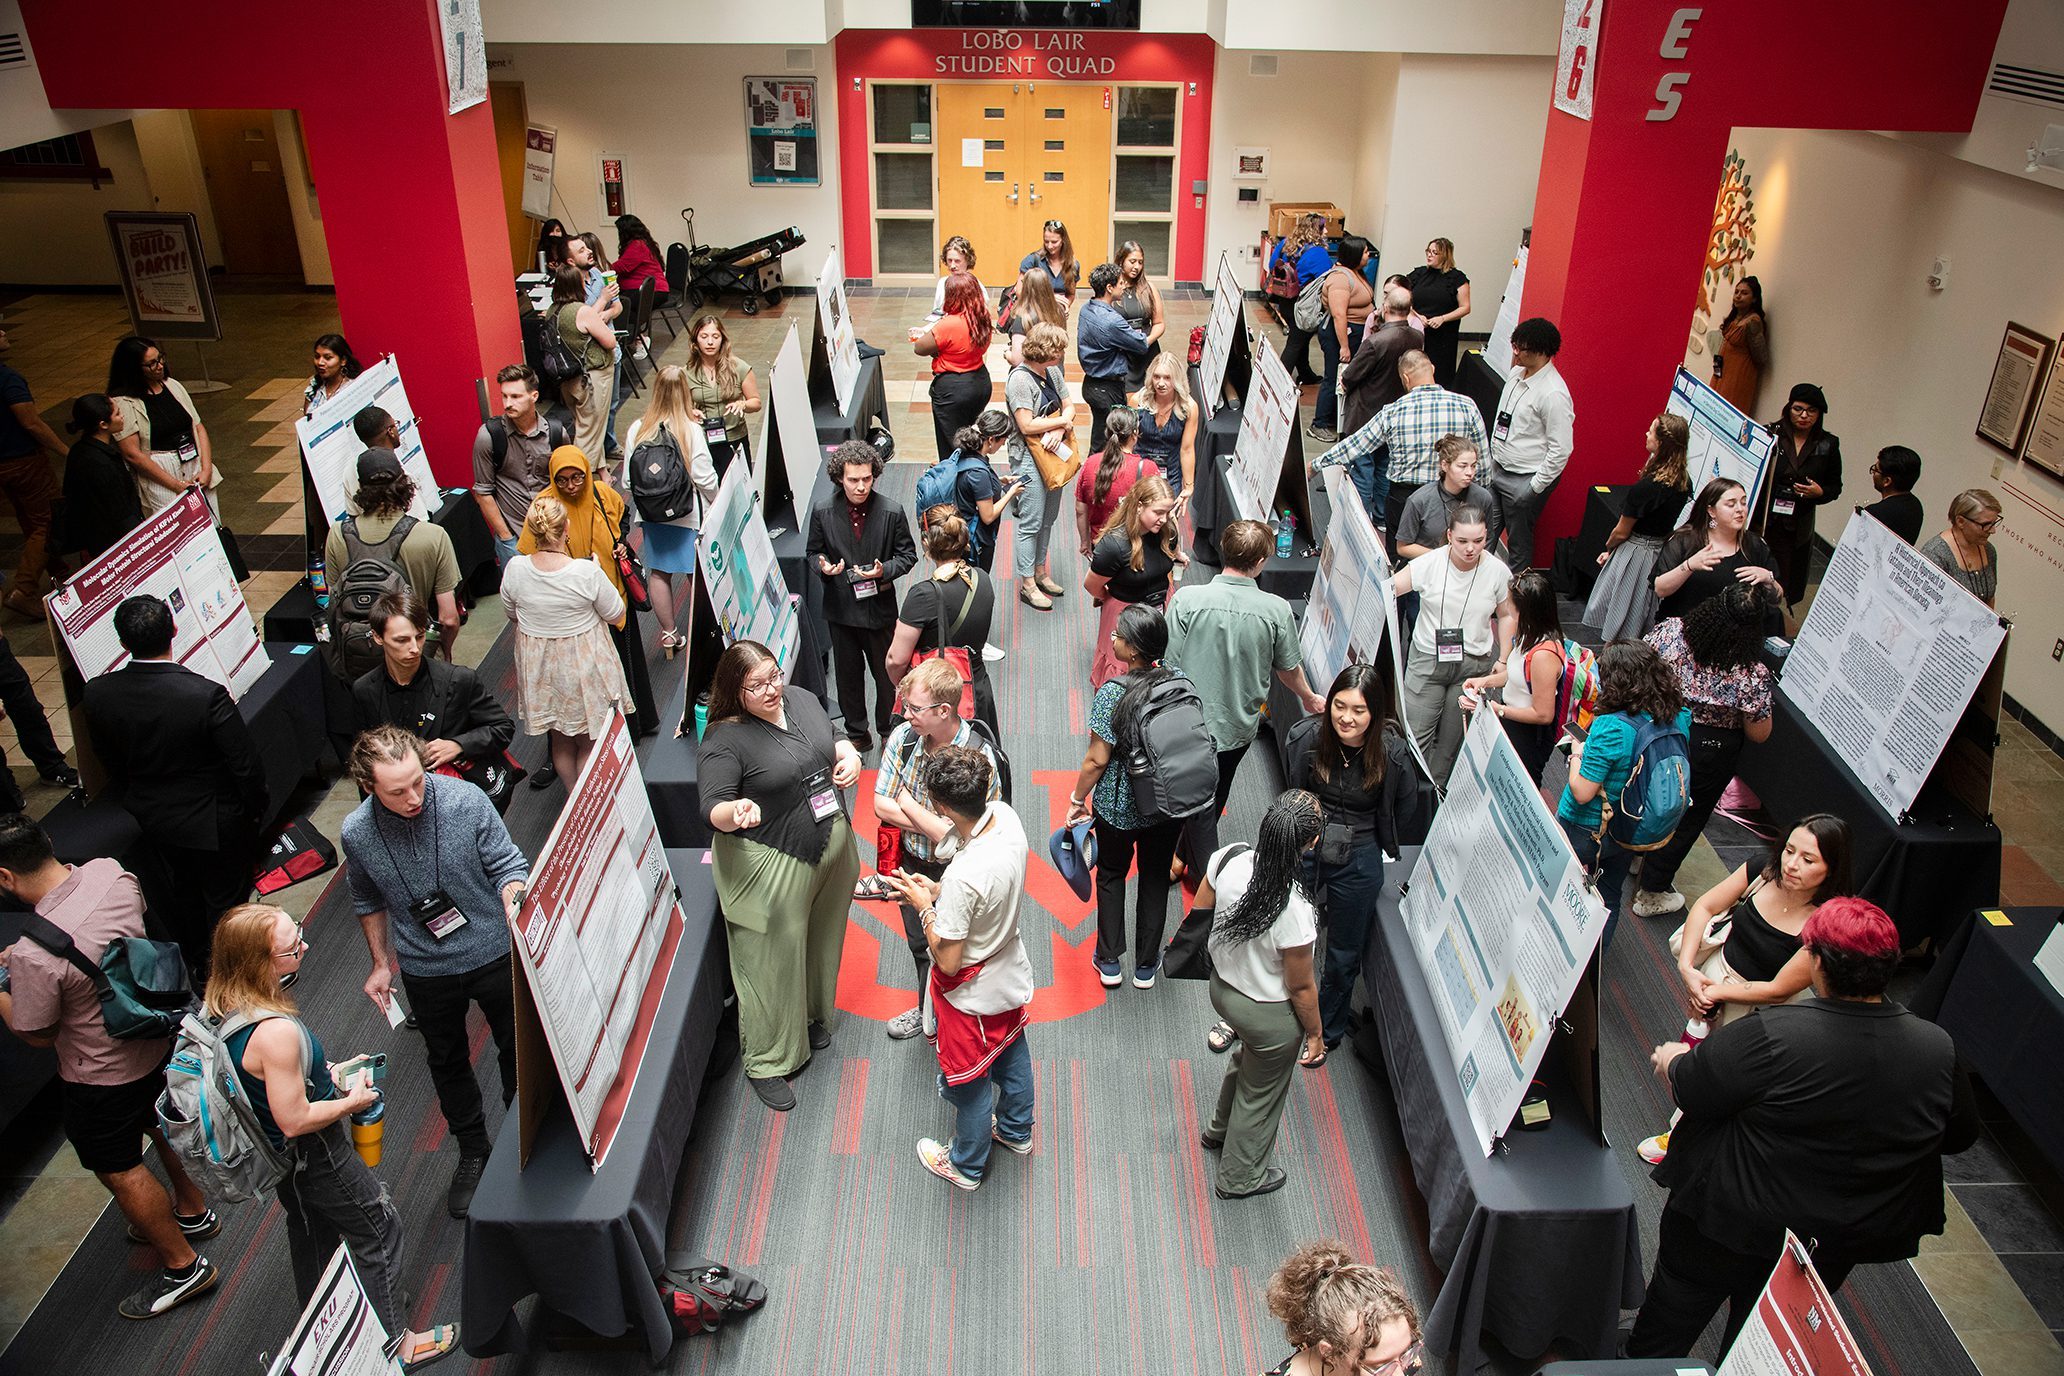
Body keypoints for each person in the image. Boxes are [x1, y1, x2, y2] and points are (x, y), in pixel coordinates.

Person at [1626, 898, 1978, 1360]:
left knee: (1666, 1328)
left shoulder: (1773, 1034)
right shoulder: (1937, 1048)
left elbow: (1695, 1091)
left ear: (1815, 961)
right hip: (1825, 1245)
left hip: (1725, 1223)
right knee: (1761, 1349)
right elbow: (1958, 1136)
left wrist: (1673, 1061)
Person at [203, 905, 461, 1369]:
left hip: (283, 1163)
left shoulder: (225, 1009)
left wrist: (326, 1074)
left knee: (312, 1236)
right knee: (379, 1230)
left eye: (297, 932)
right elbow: (295, 1119)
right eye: (291, 947)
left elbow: (265, 1087)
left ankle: (325, 1331)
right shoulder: (275, 1031)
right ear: (259, 963)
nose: (305, 946)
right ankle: (395, 1344)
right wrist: (351, 1102)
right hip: (315, 1153)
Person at [0, 816, 218, 1321]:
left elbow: (36, 1033)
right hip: (155, 1041)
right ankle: (192, 1208)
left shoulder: (35, 953)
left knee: (118, 1168)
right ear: (49, 842)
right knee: (161, 1125)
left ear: (6, 878)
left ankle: (184, 1268)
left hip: (100, 1075)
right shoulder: (112, 873)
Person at [342, 727, 528, 1218]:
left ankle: (522, 1133)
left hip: (492, 949)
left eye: (418, 782)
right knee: (446, 1060)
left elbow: (509, 865)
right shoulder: (358, 832)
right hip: (426, 967)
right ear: (369, 786)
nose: (413, 798)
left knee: (517, 1046)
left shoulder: (464, 800)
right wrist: (381, 964)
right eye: (397, 791)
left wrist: (514, 899)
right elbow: (365, 897)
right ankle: (473, 1150)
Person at [696, 641, 861, 1111]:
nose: (772, 689)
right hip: (769, 861)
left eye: (774, 676)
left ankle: (809, 1017)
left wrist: (848, 755)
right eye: (757, 685)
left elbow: (832, 733)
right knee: (767, 963)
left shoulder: (801, 699)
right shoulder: (725, 739)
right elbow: (712, 807)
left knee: (819, 941)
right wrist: (736, 811)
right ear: (735, 689)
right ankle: (767, 1058)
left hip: (828, 843)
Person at [1636, 814, 1853, 1167]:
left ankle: (1685, 1137)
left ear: (1832, 868)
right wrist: (1688, 968)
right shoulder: (1761, 870)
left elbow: (1778, 990)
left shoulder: (1826, 921)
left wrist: (1717, 994)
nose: (1792, 864)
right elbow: (1705, 906)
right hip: (1715, 977)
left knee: (1726, 1074)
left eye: (1808, 859)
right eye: (1789, 850)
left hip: (1756, 1009)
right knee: (1699, 1049)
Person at [82, 595, 266, 980]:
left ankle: (201, 964)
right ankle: (231, 974)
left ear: (122, 643)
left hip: (155, 817)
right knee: (226, 901)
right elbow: (245, 766)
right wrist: (252, 810)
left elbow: (108, 758)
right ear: (175, 631)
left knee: (185, 891)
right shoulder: (204, 695)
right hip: (214, 820)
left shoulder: (98, 693)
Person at [880, 746, 1035, 1190]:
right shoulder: (1004, 817)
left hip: (970, 994)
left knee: (969, 1084)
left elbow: (946, 957)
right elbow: (975, 883)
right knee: (1012, 1052)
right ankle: (1016, 1131)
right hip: (1007, 966)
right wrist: (942, 888)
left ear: (942, 807)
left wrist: (926, 906)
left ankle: (966, 1166)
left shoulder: (966, 876)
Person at [1166, 518, 1326, 872]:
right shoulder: (1277, 610)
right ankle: (1203, 871)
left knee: (1192, 793)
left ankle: (1180, 856)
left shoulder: (1187, 600)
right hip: (1237, 725)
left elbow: (1168, 664)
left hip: (1186, 723)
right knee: (1215, 793)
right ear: (1261, 561)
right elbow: (1288, 670)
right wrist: (1310, 697)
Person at [1282, 665, 1419, 1050]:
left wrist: (1373, 839)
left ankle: (1327, 1028)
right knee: (1283, 929)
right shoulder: (1309, 736)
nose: (1345, 717)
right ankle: (1276, 1010)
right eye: (1339, 706)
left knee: (1343, 954)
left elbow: (1404, 808)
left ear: (1375, 712)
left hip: (1359, 853)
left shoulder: (1390, 754)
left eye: (1358, 710)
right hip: (1306, 843)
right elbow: (1294, 788)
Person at [1197, 791, 1325, 1199]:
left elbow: (1200, 916)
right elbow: (1301, 987)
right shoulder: (1295, 910)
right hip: (1267, 1015)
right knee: (1262, 1095)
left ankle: (1218, 1131)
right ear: (1309, 843)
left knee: (1248, 1060)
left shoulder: (1229, 857)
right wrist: (1316, 1033)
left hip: (1222, 991)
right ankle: (1239, 1179)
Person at [1629, 585, 1778, 916]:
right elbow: (1759, 733)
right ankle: (1651, 894)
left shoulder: (1670, 633)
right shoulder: (1751, 673)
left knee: (1646, 792)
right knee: (1687, 816)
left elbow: (1640, 670)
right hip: (1709, 748)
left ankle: (1636, 851)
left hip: (1659, 728)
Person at [873, 658, 1002, 1039]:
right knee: (919, 944)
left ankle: (965, 1020)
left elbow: (976, 836)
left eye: (914, 708)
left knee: (962, 948)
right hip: (912, 864)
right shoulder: (904, 738)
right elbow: (880, 804)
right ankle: (925, 1009)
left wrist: (909, 805)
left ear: (944, 711)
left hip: (960, 873)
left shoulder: (979, 759)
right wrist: (938, 828)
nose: (905, 714)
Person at [1063, 604, 1187, 990]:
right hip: (1168, 803)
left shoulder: (1112, 693)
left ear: (1133, 650)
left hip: (1119, 806)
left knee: (1112, 875)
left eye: (1118, 635)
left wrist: (1076, 799)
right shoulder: (1180, 680)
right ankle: (1147, 965)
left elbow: (1097, 760)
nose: (1112, 638)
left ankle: (1109, 960)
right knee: (1153, 878)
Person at [1556, 638, 1690, 950]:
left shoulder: (1610, 726)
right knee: (1610, 894)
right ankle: (1594, 960)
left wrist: (1577, 752)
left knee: (1560, 888)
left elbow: (1582, 790)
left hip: (1587, 827)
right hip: (1631, 823)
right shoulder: (1678, 714)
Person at [502, 491, 630, 783]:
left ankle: (574, 802)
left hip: (542, 672)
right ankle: (592, 809)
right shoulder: (585, 572)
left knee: (560, 740)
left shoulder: (515, 569)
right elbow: (615, 612)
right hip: (583, 668)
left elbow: (513, 613)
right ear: (566, 528)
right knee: (589, 742)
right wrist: (598, 572)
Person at [351, 590, 516, 809]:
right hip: (400, 805)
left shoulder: (458, 680)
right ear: (378, 637)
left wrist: (458, 745)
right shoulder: (365, 690)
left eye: (419, 637)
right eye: (401, 640)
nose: (414, 648)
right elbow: (366, 759)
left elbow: (503, 728)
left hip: (455, 802)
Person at [528, 446, 654, 732]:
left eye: (577, 477)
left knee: (624, 665)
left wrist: (620, 542)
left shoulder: (601, 493)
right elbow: (530, 552)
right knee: (585, 678)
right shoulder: (544, 506)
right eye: (562, 479)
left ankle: (635, 727)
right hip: (574, 612)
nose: (571, 486)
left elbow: (622, 515)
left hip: (612, 594)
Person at [1390, 505, 1513, 784]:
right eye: (1462, 541)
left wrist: (1504, 657)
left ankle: (1435, 799)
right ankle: (1408, 798)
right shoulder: (1429, 563)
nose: (1471, 548)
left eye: (1479, 541)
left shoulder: (1497, 572)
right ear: (1448, 536)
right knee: (1414, 736)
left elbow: (1506, 615)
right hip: (1428, 660)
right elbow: (1388, 590)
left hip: (1473, 666)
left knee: (1450, 745)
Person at [810, 439, 918, 751]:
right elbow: (813, 552)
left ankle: (887, 730)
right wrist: (823, 567)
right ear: (839, 478)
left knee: (886, 677)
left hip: (879, 609)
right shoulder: (823, 512)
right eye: (853, 480)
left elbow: (907, 556)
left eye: (867, 479)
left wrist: (882, 570)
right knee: (847, 677)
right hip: (841, 609)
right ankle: (857, 732)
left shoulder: (891, 512)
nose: (861, 486)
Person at [1317, 350, 1488, 540]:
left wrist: (1316, 464)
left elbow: (1356, 445)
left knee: (1401, 556)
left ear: (1405, 378)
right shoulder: (1467, 406)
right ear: (1432, 369)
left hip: (1404, 498)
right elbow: (1483, 462)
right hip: (1453, 497)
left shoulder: (1393, 411)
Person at [325, 427, 462, 655]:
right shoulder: (432, 536)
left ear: (360, 487)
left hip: (360, 658)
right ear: (403, 482)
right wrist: (444, 652)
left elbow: (333, 601)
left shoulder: (338, 534)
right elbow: (448, 618)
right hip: (415, 655)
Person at [623, 364, 722, 656]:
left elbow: (629, 479)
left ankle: (669, 635)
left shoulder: (637, 429)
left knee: (660, 573)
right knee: (696, 576)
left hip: (652, 516)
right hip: (687, 514)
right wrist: (716, 499)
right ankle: (704, 630)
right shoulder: (690, 429)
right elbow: (704, 477)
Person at [888, 509, 1002, 739]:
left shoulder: (923, 594)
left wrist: (906, 687)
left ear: (925, 543)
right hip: (975, 688)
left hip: (935, 698)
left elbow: (895, 660)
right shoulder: (982, 578)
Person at [1583, 412, 1692, 641]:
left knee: (1621, 613)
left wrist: (1609, 548)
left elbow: (1622, 530)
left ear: (1661, 443)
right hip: (1659, 551)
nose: (1646, 433)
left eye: (1651, 431)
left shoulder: (1647, 487)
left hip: (1635, 553)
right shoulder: (1684, 481)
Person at [1459, 569, 1568, 786]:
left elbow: (1543, 714)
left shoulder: (1544, 655)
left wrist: (1495, 709)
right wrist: (1485, 682)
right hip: (1512, 719)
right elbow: (1520, 674)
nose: (1506, 607)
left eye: (1510, 603)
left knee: (1518, 786)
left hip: (1528, 735)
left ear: (1524, 610)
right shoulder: (1529, 634)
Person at [1484, 317, 1575, 572]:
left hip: (1525, 478)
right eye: (1515, 346)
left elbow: (1561, 450)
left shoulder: (1553, 393)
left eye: (1521, 349)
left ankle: (1514, 602)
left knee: (1518, 546)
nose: (1516, 353)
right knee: (1484, 534)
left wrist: (1533, 488)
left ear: (1541, 351)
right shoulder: (1515, 373)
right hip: (1499, 468)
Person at [0, 325, 78, 609]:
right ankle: (24, 589)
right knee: (48, 519)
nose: (3, 331)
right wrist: (65, 450)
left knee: (30, 520)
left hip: (5, 465)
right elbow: (31, 422)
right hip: (24, 461)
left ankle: (59, 572)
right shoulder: (8, 379)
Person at [1004, 321, 1079, 611]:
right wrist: (1061, 421)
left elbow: (1070, 405)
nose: (1061, 353)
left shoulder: (1052, 372)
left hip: (1052, 453)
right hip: (1028, 457)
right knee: (1030, 523)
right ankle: (1027, 583)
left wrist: (1060, 429)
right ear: (1046, 350)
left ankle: (1039, 571)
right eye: (1058, 348)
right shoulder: (1020, 380)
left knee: (1048, 519)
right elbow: (1025, 425)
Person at [1262, 1241, 1425, 1376]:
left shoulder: (1397, 1362)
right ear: (1329, 1354)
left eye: (1407, 1352)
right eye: (1379, 1367)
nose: (1401, 1374)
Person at [1085, 472, 1186, 689]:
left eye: (1168, 512)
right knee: (1122, 671)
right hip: (1124, 612)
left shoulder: (1165, 531)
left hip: (1159, 605)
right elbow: (1091, 585)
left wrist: (1179, 555)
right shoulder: (1114, 545)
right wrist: (1110, 600)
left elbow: (1170, 551)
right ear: (1139, 506)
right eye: (1158, 512)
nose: (1164, 518)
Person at [472, 363, 572, 568]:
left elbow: (570, 484)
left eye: (516, 397)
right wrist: (506, 538)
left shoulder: (555, 433)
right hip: (513, 538)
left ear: (534, 396)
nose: (508, 403)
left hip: (553, 534)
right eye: (504, 396)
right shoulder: (490, 436)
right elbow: (483, 492)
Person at [107, 334, 209, 520]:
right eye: (151, 363)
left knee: (209, 527)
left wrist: (206, 469)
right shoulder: (123, 401)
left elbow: (198, 426)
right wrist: (176, 485)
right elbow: (132, 454)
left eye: (160, 358)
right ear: (133, 369)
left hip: (194, 464)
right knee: (177, 532)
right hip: (161, 474)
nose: (160, 365)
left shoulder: (172, 385)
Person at [1758, 383, 1842, 607]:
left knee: (1783, 577)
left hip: (1796, 525)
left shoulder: (1828, 444)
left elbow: (1835, 486)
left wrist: (1820, 492)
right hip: (1764, 517)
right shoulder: (1770, 433)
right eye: (1798, 409)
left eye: (1811, 411)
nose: (1804, 416)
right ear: (1789, 408)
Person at [1652, 477, 1781, 623]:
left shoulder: (1755, 545)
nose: (1740, 509)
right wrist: (1688, 566)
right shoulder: (1685, 540)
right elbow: (1660, 589)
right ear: (1711, 511)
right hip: (1686, 631)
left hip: (1735, 635)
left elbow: (1776, 600)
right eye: (1731, 504)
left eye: (1743, 503)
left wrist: (1768, 579)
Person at [912, 272, 995, 462]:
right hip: (979, 383)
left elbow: (920, 348)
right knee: (973, 440)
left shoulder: (948, 324)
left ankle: (960, 484)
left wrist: (937, 350)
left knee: (953, 449)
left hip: (953, 391)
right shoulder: (982, 319)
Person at [1077, 262, 1155, 452]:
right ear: (1109, 288)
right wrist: (1151, 333)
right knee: (1106, 445)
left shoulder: (1086, 309)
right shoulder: (1112, 321)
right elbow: (1140, 344)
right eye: (1120, 283)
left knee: (1099, 438)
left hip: (1092, 384)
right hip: (1107, 388)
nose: (1124, 286)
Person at [1307, 235, 1376, 445]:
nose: (1368, 255)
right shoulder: (1339, 279)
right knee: (1332, 377)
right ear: (1355, 254)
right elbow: (1339, 315)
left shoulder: (1356, 274)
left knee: (1345, 377)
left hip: (1354, 334)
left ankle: (1338, 418)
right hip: (1341, 335)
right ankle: (1319, 424)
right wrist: (1344, 346)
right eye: (1365, 252)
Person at [548, 263, 618, 470]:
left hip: (568, 378)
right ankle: (577, 477)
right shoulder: (582, 310)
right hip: (593, 378)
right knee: (589, 435)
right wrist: (603, 301)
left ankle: (603, 473)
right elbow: (609, 342)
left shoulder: (553, 311)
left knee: (585, 427)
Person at [61, 392, 143, 561]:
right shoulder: (101, 463)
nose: (122, 417)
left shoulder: (78, 450)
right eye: (118, 414)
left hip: (94, 540)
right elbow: (120, 511)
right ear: (103, 424)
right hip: (113, 545)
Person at [1393, 435, 1503, 560]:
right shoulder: (1419, 500)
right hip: (1430, 569)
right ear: (1444, 465)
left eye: (1473, 466)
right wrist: (1447, 557)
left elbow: (1487, 540)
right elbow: (1403, 547)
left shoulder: (1483, 498)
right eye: (1462, 466)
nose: (1470, 472)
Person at [936, 411, 1019, 574]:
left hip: (959, 529)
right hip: (975, 540)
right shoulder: (978, 474)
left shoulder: (968, 452)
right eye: (1003, 440)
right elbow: (988, 516)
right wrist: (1011, 493)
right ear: (991, 439)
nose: (1003, 444)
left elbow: (971, 485)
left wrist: (999, 480)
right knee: (976, 579)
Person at [683, 313, 762, 475]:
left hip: (734, 439)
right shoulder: (686, 373)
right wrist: (688, 412)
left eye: (715, 336)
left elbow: (756, 402)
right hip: (703, 440)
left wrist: (743, 404)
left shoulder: (739, 368)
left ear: (723, 340)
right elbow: (679, 407)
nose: (710, 342)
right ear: (695, 341)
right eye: (704, 336)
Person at [1341, 284, 1423, 439]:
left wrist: (1344, 380)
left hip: (1367, 413)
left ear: (1385, 308)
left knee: (1364, 461)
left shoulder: (1375, 342)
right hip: (1396, 410)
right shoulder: (1417, 336)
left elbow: (1350, 376)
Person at [1269, 214, 1334, 385]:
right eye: (1323, 228)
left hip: (1285, 300)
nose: (1326, 231)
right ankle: (1279, 384)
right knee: (1295, 343)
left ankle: (1305, 373)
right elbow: (1326, 279)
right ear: (1315, 230)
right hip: (1304, 304)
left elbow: (1271, 265)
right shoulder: (1317, 253)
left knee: (1300, 338)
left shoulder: (1285, 244)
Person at [1074, 406, 1153, 545]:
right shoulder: (1147, 468)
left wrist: (1085, 541)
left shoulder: (1090, 463)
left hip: (1099, 543)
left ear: (1107, 432)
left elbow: (1080, 510)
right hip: (1134, 544)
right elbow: (1158, 513)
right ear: (1135, 434)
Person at [1131, 352, 1197, 504]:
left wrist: (1188, 486)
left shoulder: (1189, 408)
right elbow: (1128, 442)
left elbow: (1187, 449)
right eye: (1156, 377)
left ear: (1177, 379)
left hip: (1171, 473)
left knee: (1166, 520)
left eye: (1167, 378)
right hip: (1140, 471)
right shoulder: (1137, 402)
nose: (1161, 383)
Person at [1404, 237, 1471, 387]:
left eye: (1434, 252)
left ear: (1445, 255)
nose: (1429, 255)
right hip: (1418, 328)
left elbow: (1465, 307)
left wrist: (1442, 318)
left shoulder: (1457, 278)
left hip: (1443, 335)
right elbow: (1403, 297)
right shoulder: (1418, 274)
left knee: (1440, 372)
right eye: (1428, 251)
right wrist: (1416, 315)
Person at [1921, 488, 2002, 607]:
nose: (1993, 530)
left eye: (1994, 523)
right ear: (1960, 521)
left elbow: (1990, 598)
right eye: (1985, 524)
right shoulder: (1935, 554)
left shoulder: (1989, 550)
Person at [1111, 239, 1165, 389]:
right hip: (1124, 355)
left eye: (1140, 262)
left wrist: (1147, 341)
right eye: (1132, 261)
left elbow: (1159, 323)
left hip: (1147, 351)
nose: (1137, 267)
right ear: (1121, 261)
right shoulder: (1113, 289)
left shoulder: (1149, 288)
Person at [1711, 276, 1768, 416]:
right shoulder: (1734, 317)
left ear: (1754, 298)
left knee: (1724, 414)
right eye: (1736, 292)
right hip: (1721, 373)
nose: (1738, 296)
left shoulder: (1753, 321)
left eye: (1744, 293)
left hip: (1738, 377)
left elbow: (1761, 357)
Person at [1000, 265, 1067, 369]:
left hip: (1031, 375)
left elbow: (1017, 360)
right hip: (1054, 371)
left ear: (1026, 287)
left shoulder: (1023, 317)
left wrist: (1007, 353)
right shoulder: (1059, 311)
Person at [1862, 444, 1925, 545]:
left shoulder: (1874, 513)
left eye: (1876, 470)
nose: (1873, 473)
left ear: (1887, 481)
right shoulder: (1916, 506)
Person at [1019, 219, 1080, 315]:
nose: (1050, 246)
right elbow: (1019, 291)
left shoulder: (1073, 265)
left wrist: (1065, 306)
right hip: (1034, 313)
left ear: (1063, 241)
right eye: (1046, 241)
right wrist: (1050, 298)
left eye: (1054, 242)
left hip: (1057, 315)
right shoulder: (1032, 260)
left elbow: (1071, 294)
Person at [301, 332, 365, 418]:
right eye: (317, 356)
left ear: (343, 360)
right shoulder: (314, 385)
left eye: (328, 358)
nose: (320, 362)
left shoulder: (353, 388)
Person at [928, 235, 984, 318]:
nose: (952, 265)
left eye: (957, 261)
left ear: (968, 261)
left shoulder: (976, 287)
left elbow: (980, 320)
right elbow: (936, 313)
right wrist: (924, 330)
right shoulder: (942, 283)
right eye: (949, 260)